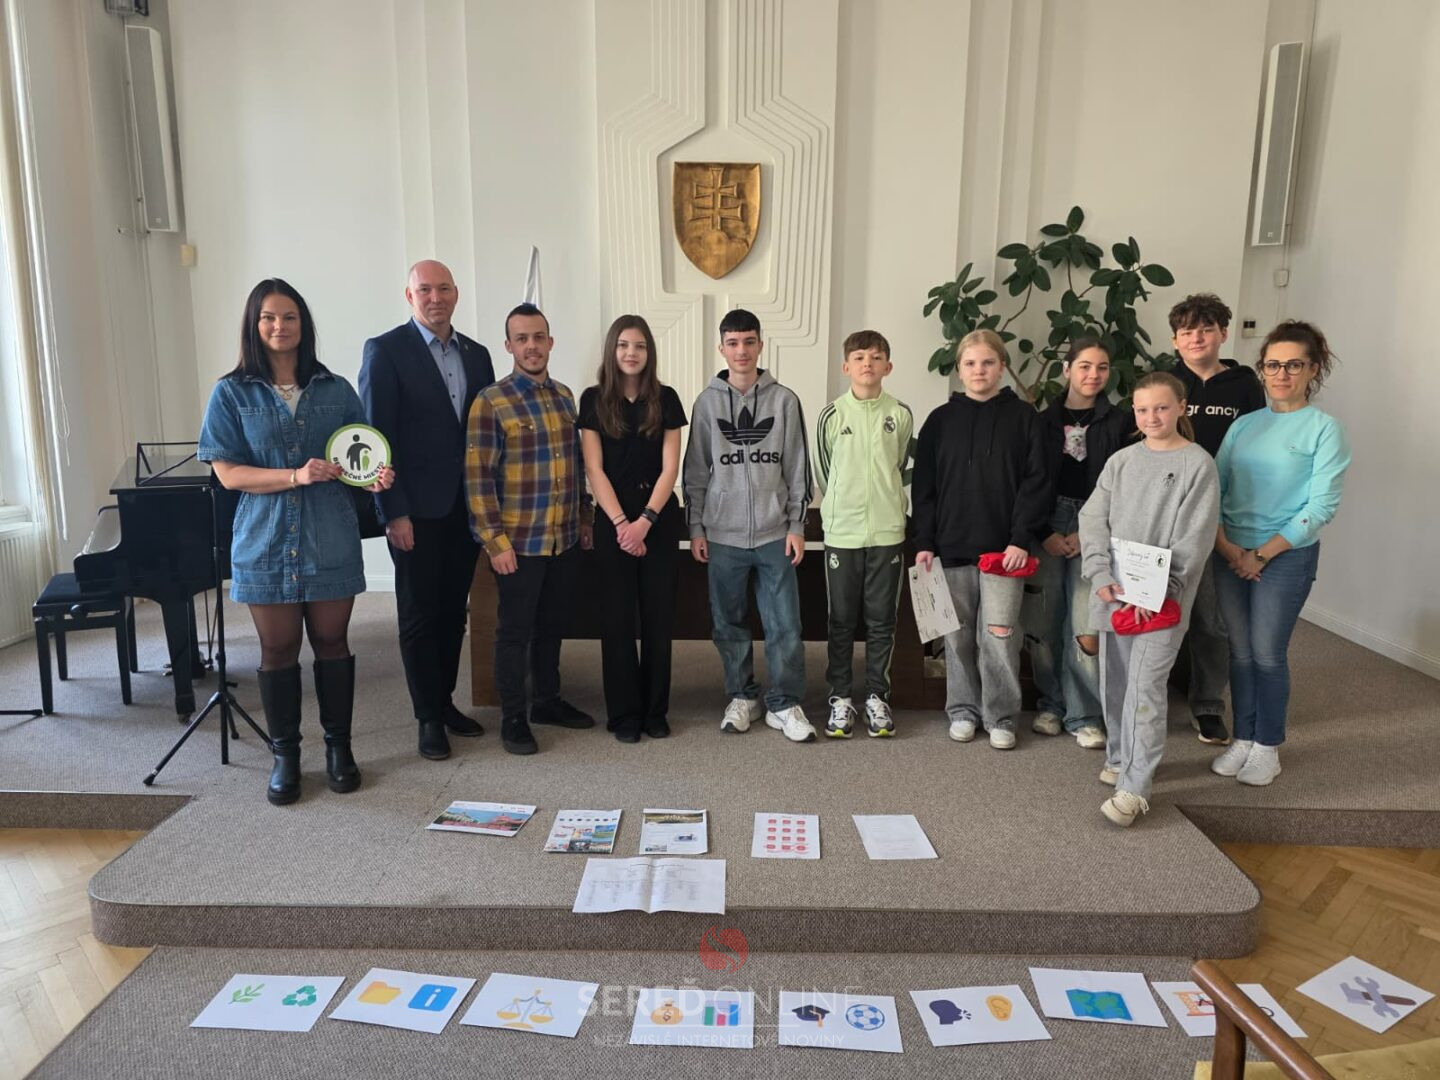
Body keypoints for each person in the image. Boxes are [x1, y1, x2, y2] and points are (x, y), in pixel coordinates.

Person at [198, 278, 393, 805]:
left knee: (332, 641)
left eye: (289, 317)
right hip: (264, 539)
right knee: (277, 648)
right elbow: (228, 474)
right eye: (268, 317)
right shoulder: (231, 392)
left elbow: (357, 458)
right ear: (254, 325)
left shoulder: (335, 389)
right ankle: (285, 755)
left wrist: (374, 478)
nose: (279, 326)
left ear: (303, 324)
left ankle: (339, 749)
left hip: (330, 535)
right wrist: (294, 476)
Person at [360, 260, 495, 762]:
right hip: (414, 510)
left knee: (453, 612)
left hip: (466, 507)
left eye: (443, 289)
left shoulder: (477, 355)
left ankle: (444, 702)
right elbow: (378, 437)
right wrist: (391, 512)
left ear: (456, 294)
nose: (435, 298)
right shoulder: (385, 351)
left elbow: (482, 434)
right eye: (424, 290)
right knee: (419, 614)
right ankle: (427, 719)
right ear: (409, 296)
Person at [1209, 321, 1351, 786]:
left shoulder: (1324, 430)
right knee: (1240, 652)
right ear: (1262, 370)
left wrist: (1261, 555)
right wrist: (1229, 548)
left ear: (1313, 369)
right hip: (1231, 551)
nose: (1281, 374)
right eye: (1273, 365)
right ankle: (1244, 737)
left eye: (1293, 365)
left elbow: (1320, 506)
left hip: (1286, 556)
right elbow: (1215, 489)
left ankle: (1268, 746)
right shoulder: (1244, 425)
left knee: (1267, 654)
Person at [1079, 371, 1219, 827]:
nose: (1151, 417)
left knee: (1145, 687)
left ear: (1181, 407)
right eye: (1142, 409)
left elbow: (1194, 538)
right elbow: (1092, 518)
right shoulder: (1120, 461)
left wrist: (1157, 592)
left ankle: (1135, 789)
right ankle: (1120, 757)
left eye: (1161, 407)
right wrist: (1100, 572)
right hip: (1115, 594)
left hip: (1162, 603)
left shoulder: (1198, 465)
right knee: (1117, 682)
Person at [912, 329, 1050, 750]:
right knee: (955, 637)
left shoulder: (1025, 418)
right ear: (959, 370)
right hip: (950, 547)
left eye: (987, 362)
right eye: (970, 363)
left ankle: (1001, 716)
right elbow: (924, 487)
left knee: (1001, 636)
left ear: (1002, 367)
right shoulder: (939, 421)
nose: (979, 370)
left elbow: (1037, 482)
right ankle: (963, 710)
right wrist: (925, 541)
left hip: (1005, 551)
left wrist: (1021, 538)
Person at [683, 308, 815, 742]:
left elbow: (797, 468)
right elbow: (696, 471)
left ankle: (785, 703)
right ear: (722, 348)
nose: (741, 350)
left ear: (760, 344)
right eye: (733, 343)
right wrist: (696, 528)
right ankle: (743, 696)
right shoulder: (706, 403)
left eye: (749, 341)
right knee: (728, 623)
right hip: (723, 535)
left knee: (785, 625)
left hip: (776, 534)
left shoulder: (784, 401)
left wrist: (797, 525)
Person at [467, 303, 594, 755]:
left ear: (550, 342)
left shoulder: (565, 396)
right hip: (518, 542)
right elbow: (478, 479)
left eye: (539, 337)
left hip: (563, 536)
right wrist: (494, 541)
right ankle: (513, 717)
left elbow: (577, 466)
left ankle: (547, 700)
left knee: (552, 625)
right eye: (522, 339)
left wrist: (584, 516)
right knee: (514, 631)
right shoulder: (491, 401)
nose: (532, 346)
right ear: (509, 346)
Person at [578, 315, 687, 743]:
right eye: (623, 345)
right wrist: (623, 524)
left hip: (657, 519)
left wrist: (645, 522)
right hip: (613, 520)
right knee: (617, 620)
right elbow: (594, 468)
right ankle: (624, 713)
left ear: (649, 353)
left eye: (639, 346)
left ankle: (655, 711)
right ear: (612, 350)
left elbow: (670, 469)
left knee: (659, 619)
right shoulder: (593, 400)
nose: (631, 353)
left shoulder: (667, 398)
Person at [1026, 335, 1136, 750]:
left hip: (1097, 523)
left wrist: (1089, 531)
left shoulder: (1121, 421)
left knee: (1086, 624)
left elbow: (1125, 486)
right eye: (1085, 366)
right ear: (1067, 369)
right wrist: (1044, 532)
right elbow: (1027, 481)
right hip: (1048, 524)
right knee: (1043, 622)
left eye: (1102, 367)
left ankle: (1084, 713)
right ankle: (1051, 704)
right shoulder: (1040, 421)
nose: (1094, 374)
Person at [1168, 293, 1266, 746]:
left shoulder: (1244, 386)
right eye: (1187, 332)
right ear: (1175, 340)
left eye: (1205, 330)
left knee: (1212, 620)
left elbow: (1255, 449)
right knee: (1161, 609)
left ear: (1223, 334)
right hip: (1169, 514)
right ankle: (1157, 691)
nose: (1196, 339)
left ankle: (1208, 705)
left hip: (1221, 518)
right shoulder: (1166, 382)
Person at [814, 330, 914, 738]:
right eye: (859, 357)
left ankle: (876, 696)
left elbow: (901, 465)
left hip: (888, 532)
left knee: (881, 620)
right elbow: (824, 472)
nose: (867, 364)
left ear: (888, 366)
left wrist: (887, 503)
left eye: (875, 357)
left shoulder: (900, 414)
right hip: (843, 532)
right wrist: (842, 505)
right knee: (840, 620)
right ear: (846, 367)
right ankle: (840, 697)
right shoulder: (832, 416)